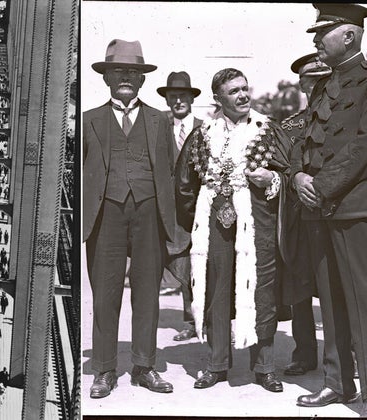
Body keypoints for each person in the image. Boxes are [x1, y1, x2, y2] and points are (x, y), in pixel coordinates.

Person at [175, 67, 290, 393]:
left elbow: (290, 175)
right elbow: (185, 186)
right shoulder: (203, 135)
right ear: (217, 98)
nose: (242, 95)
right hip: (215, 225)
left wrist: (272, 180)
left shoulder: (267, 130)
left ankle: (264, 367)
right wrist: (196, 223)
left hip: (258, 222)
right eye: (233, 91)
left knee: (261, 290)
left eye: (244, 88)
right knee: (216, 290)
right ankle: (216, 364)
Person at [84, 39, 176, 398]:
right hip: (105, 214)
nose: (126, 77)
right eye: (119, 71)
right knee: (105, 294)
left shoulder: (159, 120)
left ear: (142, 80)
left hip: (149, 212)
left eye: (133, 72)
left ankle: (144, 366)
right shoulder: (90, 119)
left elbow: (169, 169)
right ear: (106, 79)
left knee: (148, 293)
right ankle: (104, 370)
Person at [290, 3, 367, 408]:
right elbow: (304, 141)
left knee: (361, 302)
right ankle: (338, 382)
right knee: (332, 301)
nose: (316, 40)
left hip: (353, 211)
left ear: (349, 36)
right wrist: (299, 176)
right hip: (316, 208)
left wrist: (321, 186)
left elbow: (361, 147)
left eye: (324, 32)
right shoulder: (322, 86)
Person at [277, 52, 332, 377]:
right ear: (302, 85)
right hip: (299, 218)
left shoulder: (344, 120)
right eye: (312, 84)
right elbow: (282, 168)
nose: (318, 90)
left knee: (335, 287)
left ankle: (349, 355)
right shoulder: (289, 126)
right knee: (299, 287)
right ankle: (304, 353)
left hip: (333, 214)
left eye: (324, 82)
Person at [156, 70, 204, 342]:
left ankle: (200, 320)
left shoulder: (204, 127)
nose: (178, 102)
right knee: (177, 263)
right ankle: (189, 320)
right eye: (173, 97)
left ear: (191, 99)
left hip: (196, 207)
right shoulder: (158, 126)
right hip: (165, 208)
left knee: (199, 263)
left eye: (182, 96)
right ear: (167, 100)